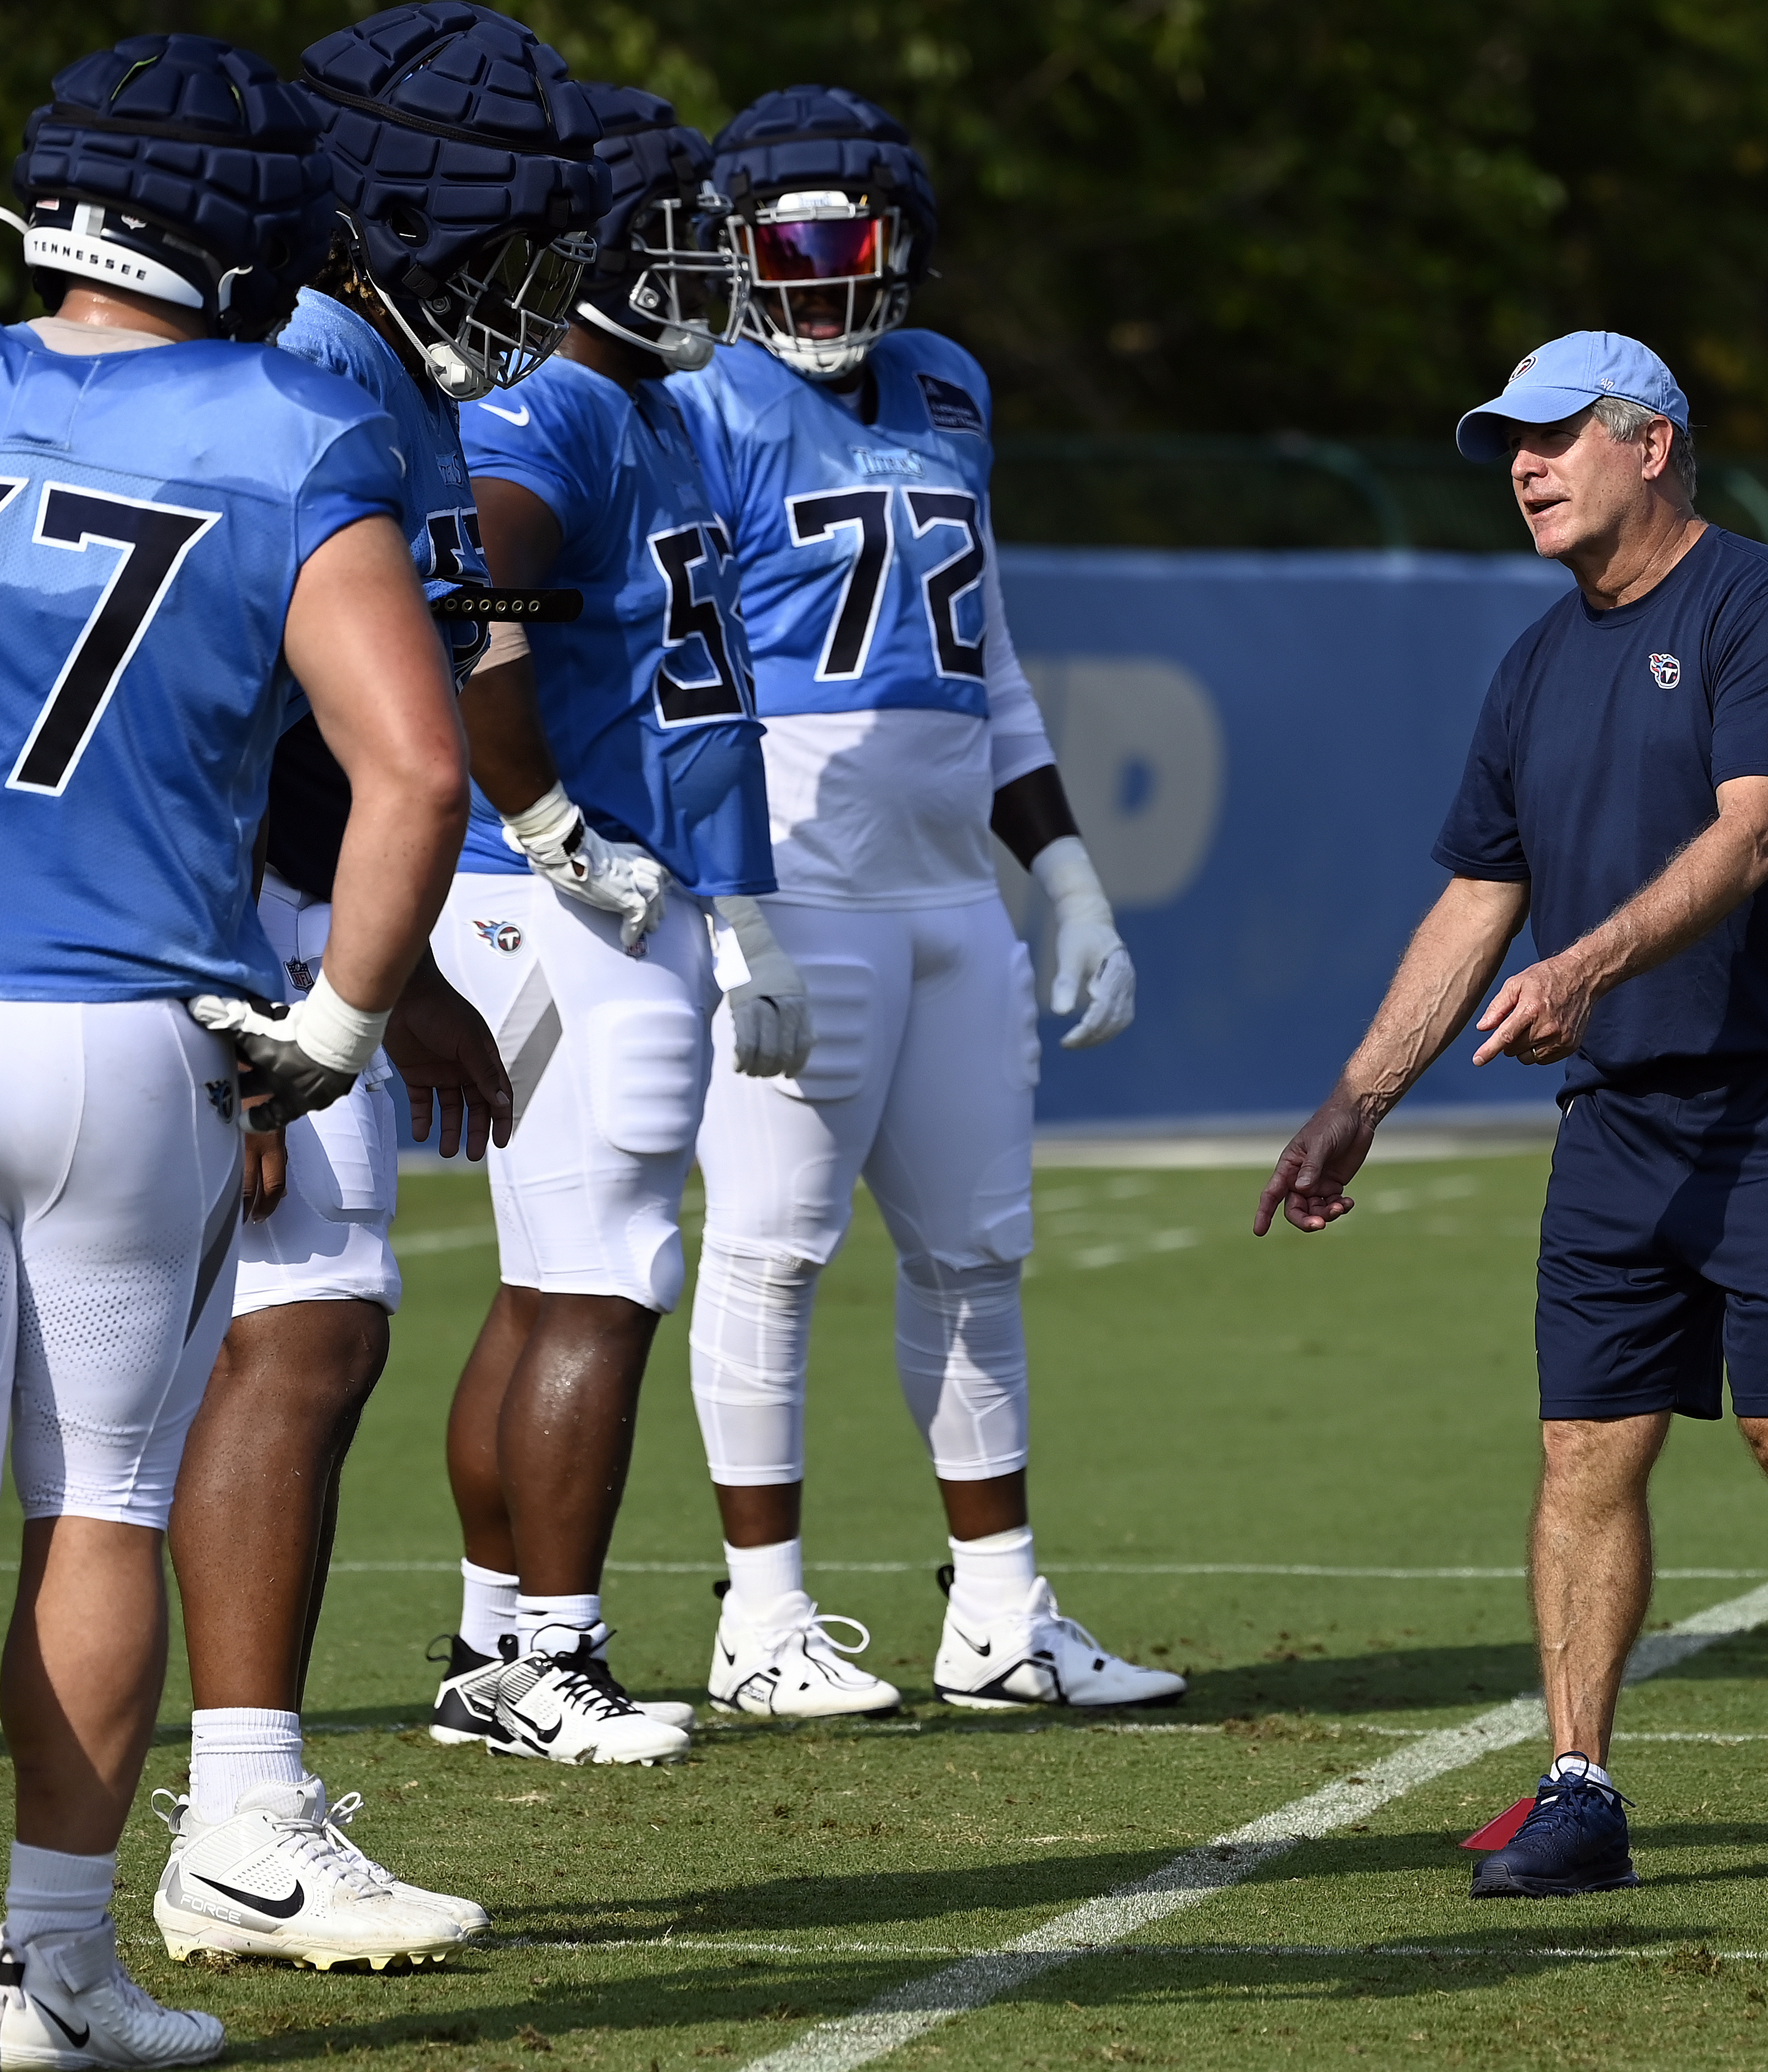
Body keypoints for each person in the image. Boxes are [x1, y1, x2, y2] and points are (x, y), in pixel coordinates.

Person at [0, 31, 468, 2069]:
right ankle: (52, 1968)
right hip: (125, 1035)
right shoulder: (289, 427)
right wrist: (343, 1024)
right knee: (101, 1502)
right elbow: (415, 773)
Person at [1260, 331, 1768, 1900]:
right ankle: (1580, 1783)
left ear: (1654, 445)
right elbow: (1478, 894)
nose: (1524, 466)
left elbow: (1755, 839)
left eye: (1554, 436)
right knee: (1584, 1450)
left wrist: (1592, 960)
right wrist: (1360, 1099)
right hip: (1623, 1109)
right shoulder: (1537, 661)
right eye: (1511, 442)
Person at [143, 0, 602, 1976]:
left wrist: (387, 968)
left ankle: (155, 1842)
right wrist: (318, 984)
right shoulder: (307, 381)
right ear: (399, 208)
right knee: (276, 1340)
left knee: (281, 1344)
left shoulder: (374, 378)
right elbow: (252, 731)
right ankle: (230, 1822)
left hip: (243, 908)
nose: (528, 288)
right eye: (500, 235)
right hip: (186, 919)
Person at [669, 84, 1176, 1717]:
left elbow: (990, 664)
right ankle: (761, 1621)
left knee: (975, 1257)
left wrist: (1074, 877)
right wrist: (728, 906)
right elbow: (676, 677)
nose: (812, 273)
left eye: (843, 236)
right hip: (796, 889)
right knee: (770, 1250)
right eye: (780, 241)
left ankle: (1002, 1617)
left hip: (955, 894)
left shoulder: (947, 387)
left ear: (903, 242)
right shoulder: (700, 402)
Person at [422, 81, 806, 1767]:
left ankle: (489, 1636)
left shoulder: (651, 410)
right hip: (566, 891)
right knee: (609, 1272)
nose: (707, 267)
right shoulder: (554, 412)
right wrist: (547, 819)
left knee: (545, 1279)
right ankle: (549, 1656)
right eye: (675, 237)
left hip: (630, 882)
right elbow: (472, 613)